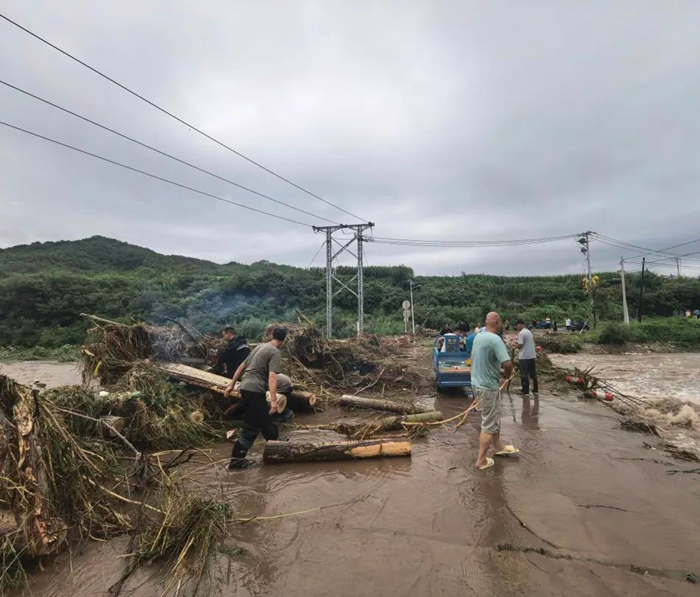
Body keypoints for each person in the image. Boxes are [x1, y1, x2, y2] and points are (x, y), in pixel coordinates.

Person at [225, 327, 287, 469]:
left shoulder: (260, 346)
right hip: (255, 390)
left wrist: (231, 385)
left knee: (264, 419)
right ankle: (236, 461)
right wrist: (273, 401)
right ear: (283, 340)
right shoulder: (274, 352)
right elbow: (272, 376)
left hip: (245, 387)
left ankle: (277, 445)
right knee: (251, 427)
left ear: (272, 336)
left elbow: (242, 366)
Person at [471, 312, 518, 470]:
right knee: (489, 423)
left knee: (494, 416)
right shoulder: (495, 340)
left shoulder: (479, 336)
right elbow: (507, 364)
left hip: (477, 384)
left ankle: (497, 446)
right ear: (498, 322)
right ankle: (481, 460)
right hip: (488, 387)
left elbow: (486, 359)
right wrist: (507, 375)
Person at [515, 319, 538, 395]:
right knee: (533, 374)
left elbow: (520, 345)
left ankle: (525, 392)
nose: (516, 327)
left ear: (520, 325)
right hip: (532, 356)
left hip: (524, 357)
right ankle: (535, 390)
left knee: (524, 374)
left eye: (516, 325)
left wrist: (515, 347)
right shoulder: (529, 332)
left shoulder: (521, 333)